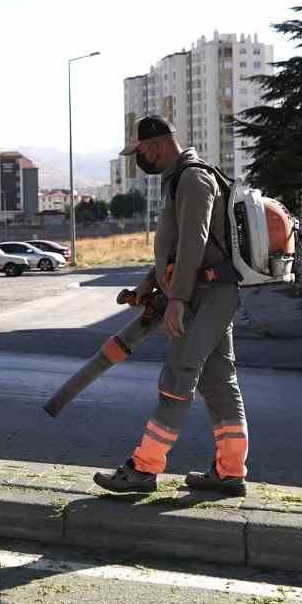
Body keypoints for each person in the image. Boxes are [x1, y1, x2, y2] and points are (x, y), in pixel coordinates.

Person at [93, 115, 250, 497]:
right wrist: (148, 285)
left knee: (178, 377)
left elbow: (194, 243)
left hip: (203, 295)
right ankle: (229, 472)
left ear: (157, 145)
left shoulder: (193, 179)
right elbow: (175, 249)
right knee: (218, 382)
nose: (141, 159)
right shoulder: (180, 179)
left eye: (143, 151)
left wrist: (177, 300)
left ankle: (143, 469)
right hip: (208, 293)